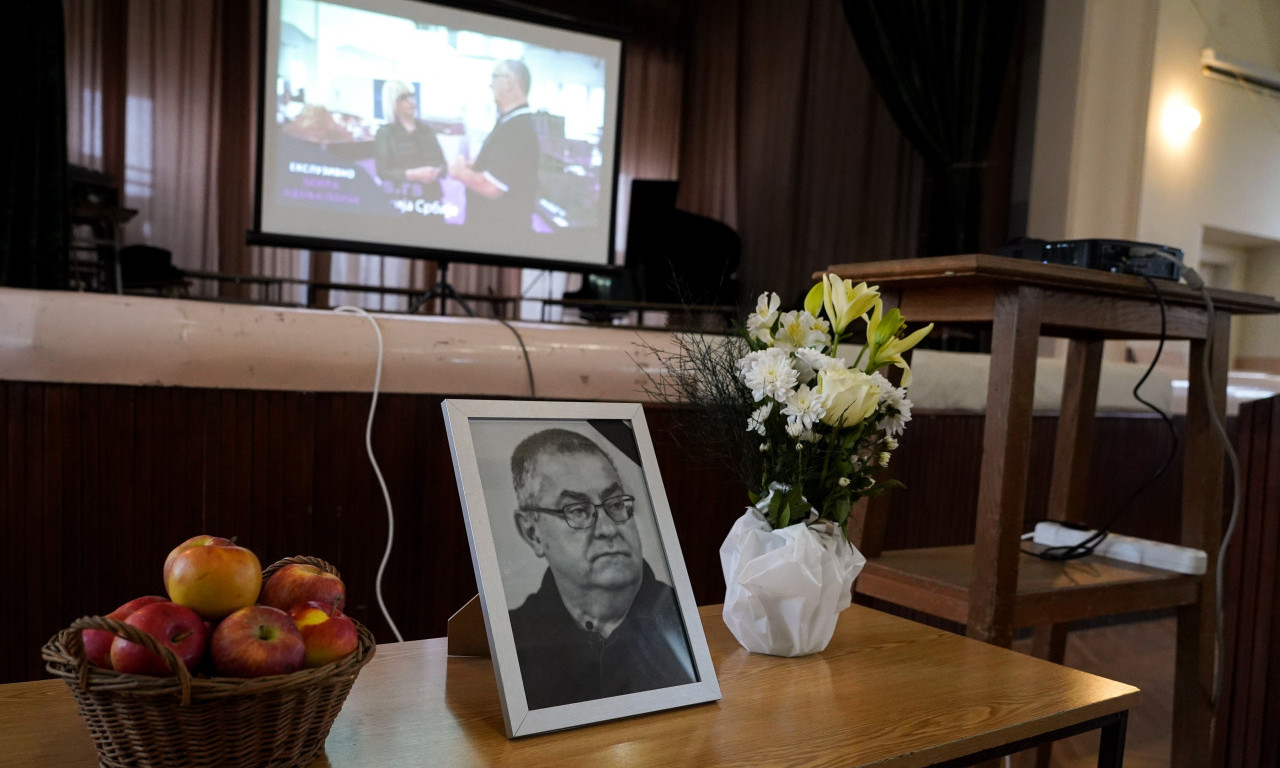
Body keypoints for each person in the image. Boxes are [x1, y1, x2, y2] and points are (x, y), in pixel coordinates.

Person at [507, 428, 696, 709]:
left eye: (615, 504)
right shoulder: (513, 642)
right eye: (577, 510)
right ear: (532, 533)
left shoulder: (682, 619)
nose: (607, 528)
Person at [449, 60, 540, 231]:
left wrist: (460, 173)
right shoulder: (509, 122)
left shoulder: (517, 128)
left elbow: (492, 187)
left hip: (499, 234)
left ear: (510, 82)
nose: (490, 84)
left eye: (494, 76)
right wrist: (475, 164)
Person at [373, 80, 447, 204]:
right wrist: (413, 174)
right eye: (404, 98)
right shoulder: (385, 133)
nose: (411, 101)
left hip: (431, 199)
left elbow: (442, 164)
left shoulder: (426, 130)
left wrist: (435, 172)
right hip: (401, 199)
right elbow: (383, 171)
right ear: (393, 103)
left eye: (411, 96)